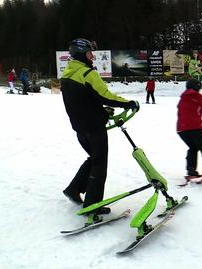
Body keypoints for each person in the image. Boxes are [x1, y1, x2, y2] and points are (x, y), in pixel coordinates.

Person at [61, 38, 139, 214]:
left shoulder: (68, 74)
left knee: (93, 158)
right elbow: (105, 96)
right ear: (82, 54)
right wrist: (128, 103)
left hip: (80, 128)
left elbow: (83, 100)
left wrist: (103, 111)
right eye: (90, 53)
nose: (92, 57)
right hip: (94, 127)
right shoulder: (88, 74)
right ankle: (92, 205)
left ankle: (74, 189)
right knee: (99, 164)